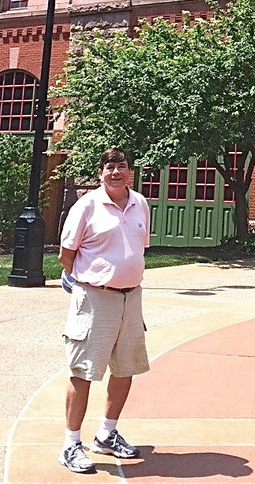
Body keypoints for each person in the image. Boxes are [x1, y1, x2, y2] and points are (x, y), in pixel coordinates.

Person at [58, 147, 151, 474]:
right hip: (95, 299)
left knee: (126, 368)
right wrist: (84, 282)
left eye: (121, 167)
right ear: (101, 173)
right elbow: (66, 254)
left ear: (130, 172)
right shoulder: (86, 206)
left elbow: (138, 248)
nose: (116, 172)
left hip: (131, 298)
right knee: (83, 371)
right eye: (109, 167)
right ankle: (71, 444)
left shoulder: (140, 203)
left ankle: (107, 434)